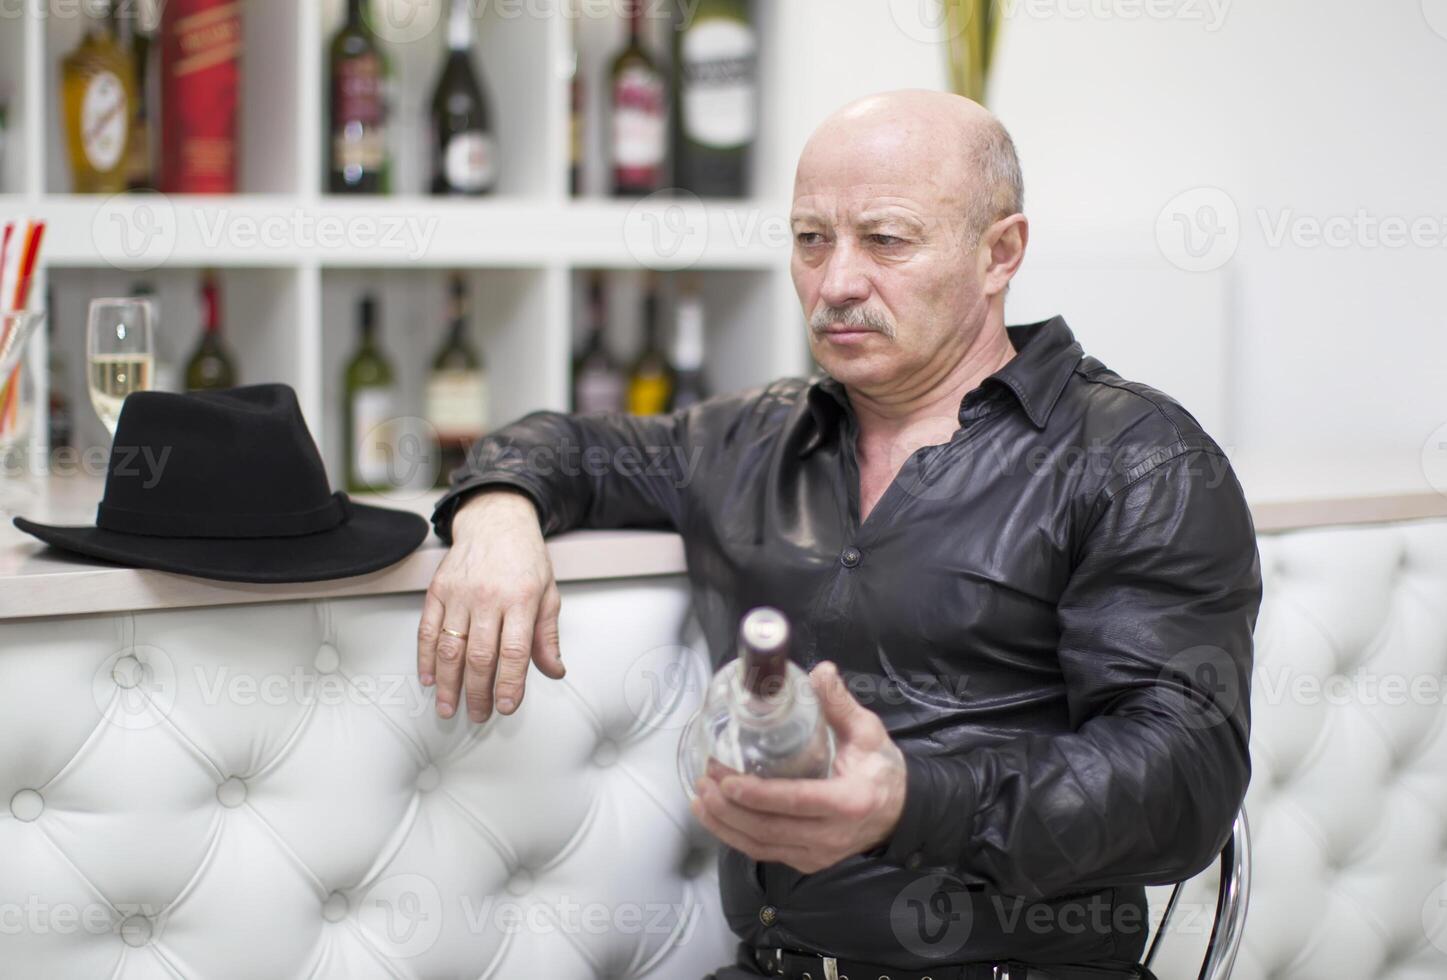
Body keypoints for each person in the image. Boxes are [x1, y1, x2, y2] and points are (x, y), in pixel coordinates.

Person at [418, 90, 1261, 980]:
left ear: (999, 252)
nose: (837, 282)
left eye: (886, 240)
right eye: (811, 239)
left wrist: (909, 801)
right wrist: (499, 512)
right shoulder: (749, 441)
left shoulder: (1135, 456)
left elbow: (1184, 779)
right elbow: (562, 448)